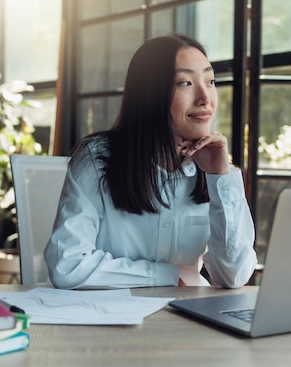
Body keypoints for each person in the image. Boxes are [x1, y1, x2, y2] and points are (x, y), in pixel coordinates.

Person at [44, 34, 257, 289]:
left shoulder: (214, 164)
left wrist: (221, 178)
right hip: (109, 319)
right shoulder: (97, 159)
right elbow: (67, 266)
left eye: (210, 81)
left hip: (186, 320)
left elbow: (233, 276)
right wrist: (168, 276)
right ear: (151, 93)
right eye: (186, 82)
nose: (205, 98)